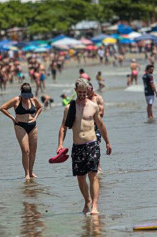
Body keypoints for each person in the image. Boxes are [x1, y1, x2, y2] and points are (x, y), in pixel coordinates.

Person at [56, 79, 112, 215]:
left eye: (84, 92)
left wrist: (107, 142)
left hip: (92, 144)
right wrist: (60, 144)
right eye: (79, 92)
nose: (81, 94)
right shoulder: (70, 108)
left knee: (93, 175)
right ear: (75, 91)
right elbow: (63, 127)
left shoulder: (93, 106)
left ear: (87, 91)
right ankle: (87, 200)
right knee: (81, 177)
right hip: (77, 146)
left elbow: (100, 124)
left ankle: (95, 205)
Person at [0, 83, 42, 180]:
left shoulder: (33, 99)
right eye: (25, 96)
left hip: (33, 126)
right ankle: (26, 173)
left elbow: (40, 107)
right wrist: (12, 118)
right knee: (25, 150)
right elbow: (2, 108)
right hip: (20, 126)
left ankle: (31, 172)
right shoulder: (16, 100)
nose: (26, 98)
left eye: (28, 96)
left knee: (33, 151)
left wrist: (36, 117)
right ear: (21, 93)